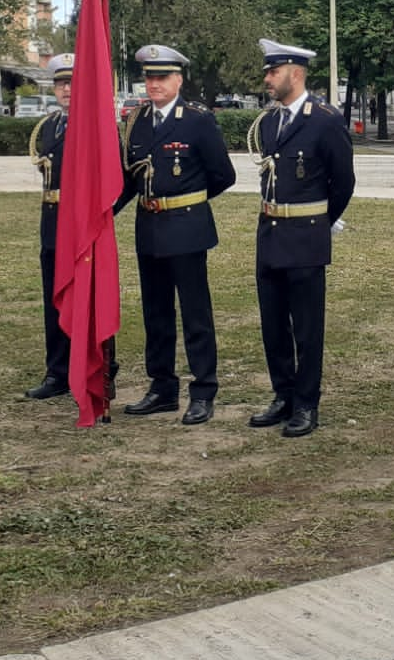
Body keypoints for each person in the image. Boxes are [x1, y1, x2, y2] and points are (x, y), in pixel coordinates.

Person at [116, 44, 236, 424]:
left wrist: (190, 202)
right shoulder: (136, 121)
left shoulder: (197, 120)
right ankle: (162, 387)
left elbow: (223, 175)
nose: (154, 84)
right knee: (156, 312)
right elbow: (131, 178)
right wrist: (104, 212)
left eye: (162, 77)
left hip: (186, 228)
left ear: (178, 80)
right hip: (149, 228)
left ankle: (203, 390)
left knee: (195, 313)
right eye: (149, 77)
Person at [246, 40, 356, 438]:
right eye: (267, 72)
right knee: (273, 325)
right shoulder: (271, 122)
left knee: (307, 329)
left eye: (273, 72)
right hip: (271, 235)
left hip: (306, 239)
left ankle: (307, 404)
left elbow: (343, 181)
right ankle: (283, 395)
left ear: (296, 72)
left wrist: (321, 221)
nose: (267, 79)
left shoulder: (324, 119)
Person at [22, 54, 75, 400]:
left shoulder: (95, 126)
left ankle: (90, 367)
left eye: (72, 83)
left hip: (79, 228)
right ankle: (57, 372)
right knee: (53, 301)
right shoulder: (51, 126)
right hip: (52, 224)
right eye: (60, 83)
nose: (67, 89)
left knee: (82, 300)